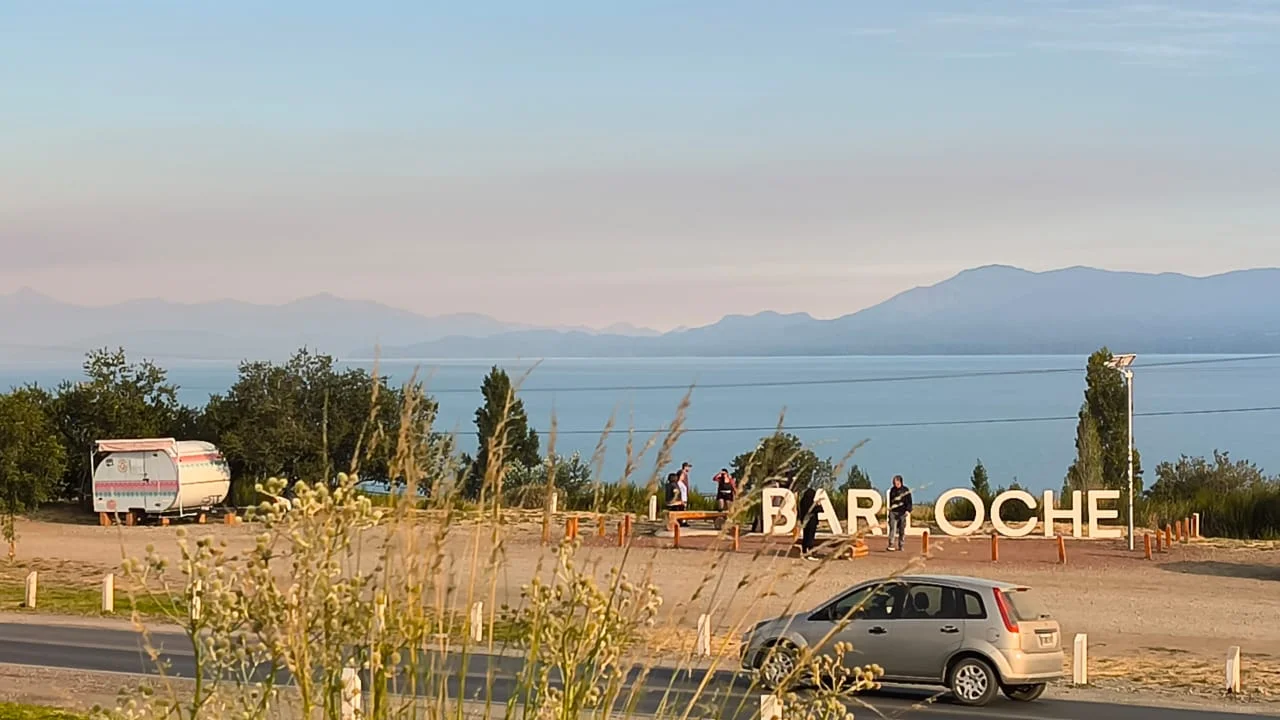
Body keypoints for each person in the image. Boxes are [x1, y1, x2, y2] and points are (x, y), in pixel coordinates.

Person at [887, 475, 913, 552]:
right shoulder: (892, 490)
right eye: (894, 483)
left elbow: (909, 501)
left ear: (900, 482)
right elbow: (891, 501)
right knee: (892, 528)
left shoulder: (905, 490)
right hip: (893, 512)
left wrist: (908, 510)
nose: (895, 484)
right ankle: (891, 544)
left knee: (902, 529)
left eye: (896, 482)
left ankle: (901, 545)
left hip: (902, 512)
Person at [797, 483, 821, 561]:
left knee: (805, 537)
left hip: (805, 521)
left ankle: (804, 552)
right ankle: (810, 553)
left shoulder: (803, 501)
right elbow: (818, 510)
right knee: (810, 537)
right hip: (811, 522)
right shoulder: (811, 503)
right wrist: (818, 505)